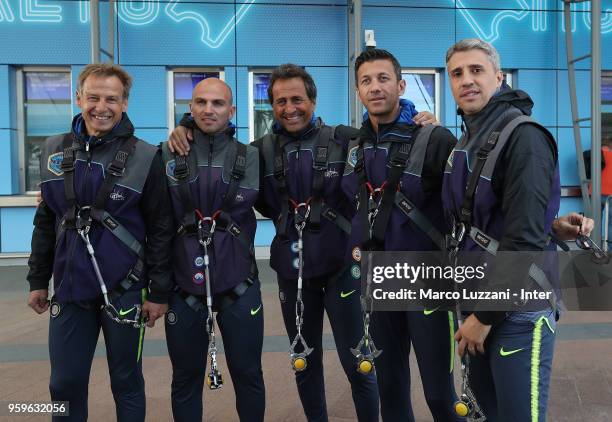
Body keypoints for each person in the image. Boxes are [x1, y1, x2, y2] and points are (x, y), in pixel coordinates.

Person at [27, 63, 173, 422]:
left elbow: (160, 228)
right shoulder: (53, 151)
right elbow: (46, 222)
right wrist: (36, 280)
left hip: (125, 289)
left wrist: (158, 292)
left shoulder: (145, 156)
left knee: (126, 381)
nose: (101, 106)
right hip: (70, 287)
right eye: (93, 97)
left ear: (124, 103)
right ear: (79, 98)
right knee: (63, 383)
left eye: (111, 98)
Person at [341, 48, 463, 422]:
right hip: (379, 283)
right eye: (366, 81)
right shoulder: (353, 145)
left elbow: (469, 200)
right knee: (391, 390)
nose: (375, 87)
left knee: (439, 393)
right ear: (358, 91)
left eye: (383, 79)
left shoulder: (435, 138)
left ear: (401, 84)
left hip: (427, 282)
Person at [443, 38, 561, 422]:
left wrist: (484, 317)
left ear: (498, 76)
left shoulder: (524, 136)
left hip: (516, 311)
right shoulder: (470, 136)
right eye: (457, 73)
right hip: (478, 301)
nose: (466, 80)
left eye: (476, 70)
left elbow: (523, 239)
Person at [161, 78, 265, 422]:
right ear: (190, 109)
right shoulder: (165, 153)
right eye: (201, 102)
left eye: (218, 103)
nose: (209, 109)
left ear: (231, 110)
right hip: (183, 286)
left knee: (248, 375)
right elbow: (148, 218)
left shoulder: (252, 156)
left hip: (240, 284)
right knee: (185, 379)